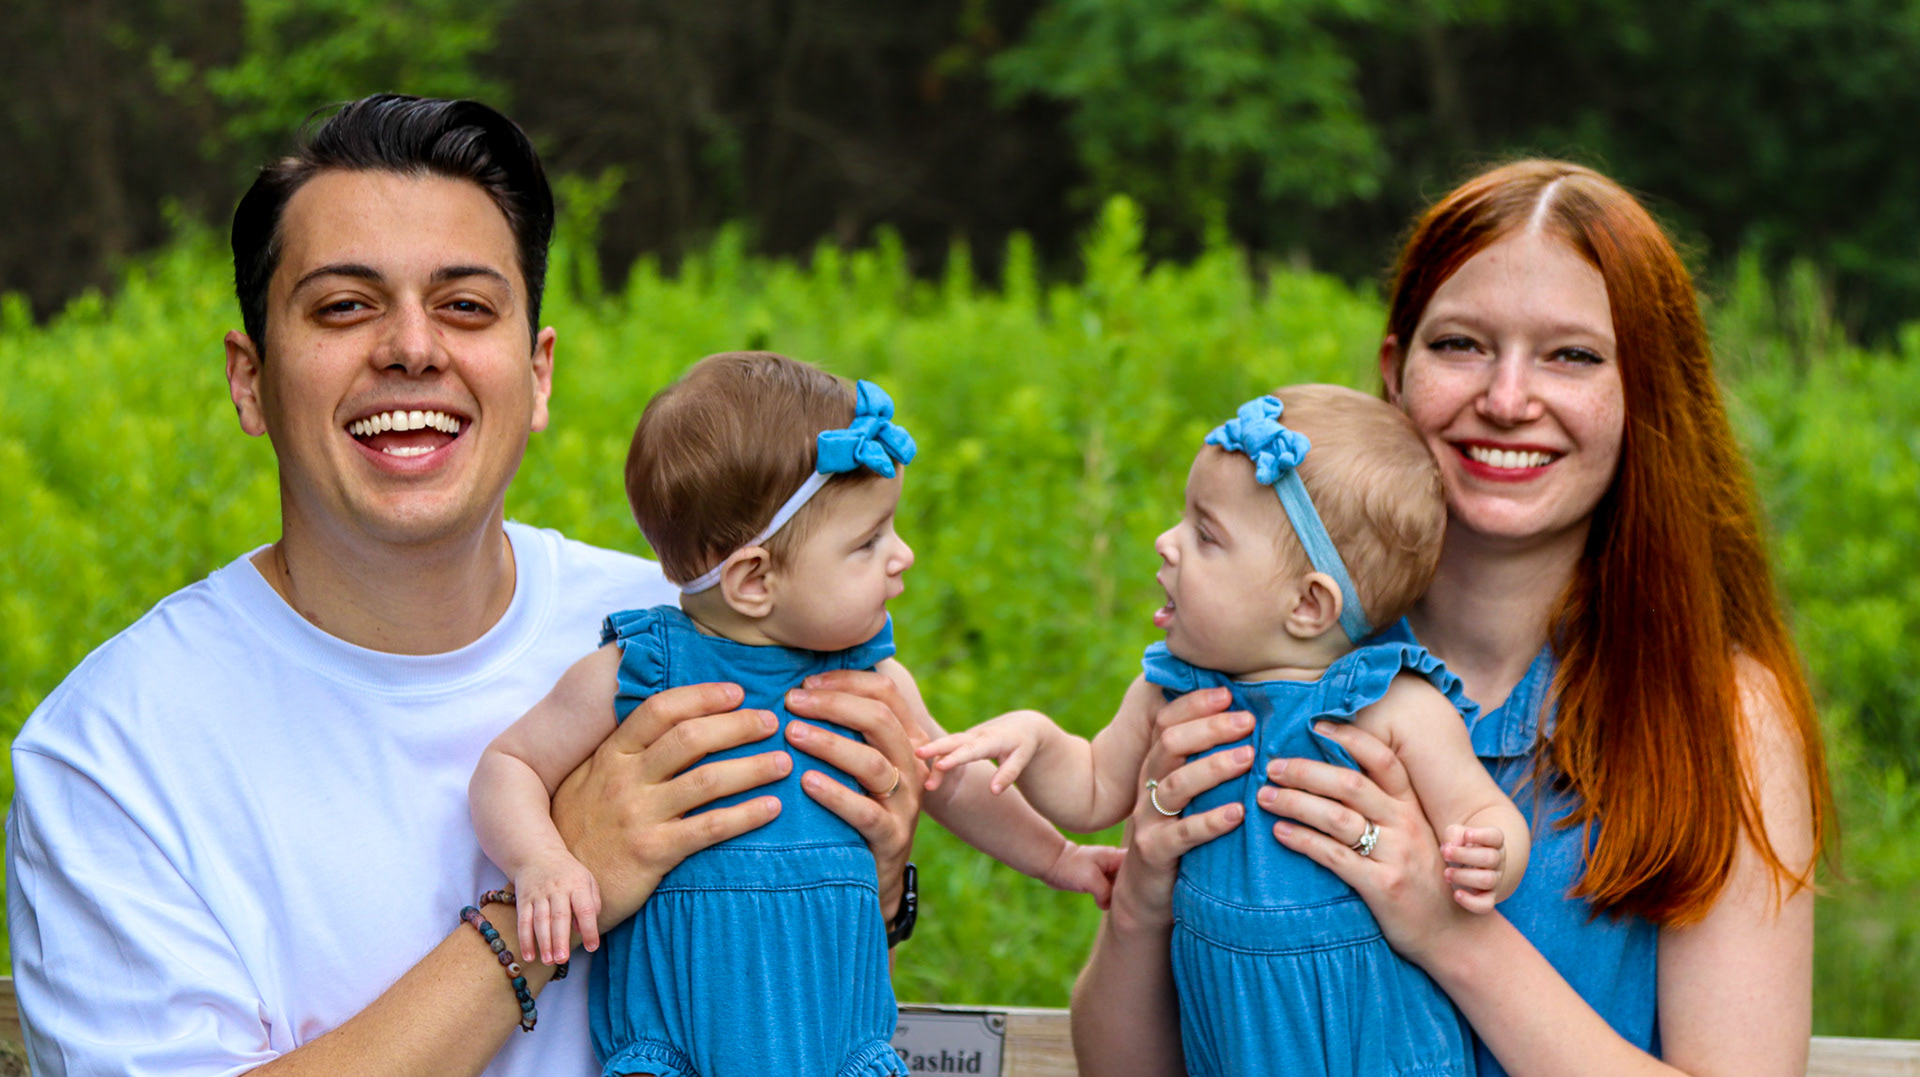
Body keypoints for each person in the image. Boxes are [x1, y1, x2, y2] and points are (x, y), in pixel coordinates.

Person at [5, 95, 928, 1077]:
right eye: (344, 306)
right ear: (249, 378)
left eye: (466, 307)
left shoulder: (691, 630)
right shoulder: (112, 755)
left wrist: (873, 885)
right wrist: (541, 902)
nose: (413, 347)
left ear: (538, 373)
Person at [1070, 159, 1832, 1076]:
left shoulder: (1721, 715)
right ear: (1395, 372)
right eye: (1462, 344)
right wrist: (1142, 898)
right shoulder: (1274, 653)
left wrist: (1449, 931)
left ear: (1647, 396)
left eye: (1572, 355)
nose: (1506, 400)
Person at [470, 352, 1117, 1077]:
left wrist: (1060, 858)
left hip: (838, 1045)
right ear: (753, 579)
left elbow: (955, 780)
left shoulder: (872, 681)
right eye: (868, 542)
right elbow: (509, 765)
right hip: (679, 1040)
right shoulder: (645, 670)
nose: (903, 555)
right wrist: (542, 860)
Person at [922, 384, 1528, 1075]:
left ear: (1308, 603)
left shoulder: (1390, 705)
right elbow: (1090, 789)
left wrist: (1491, 854)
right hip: (1232, 1030)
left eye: (1205, 534)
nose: (1166, 542)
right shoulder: (1172, 692)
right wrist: (1038, 740)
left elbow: (1483, 810)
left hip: (1371, 1038)